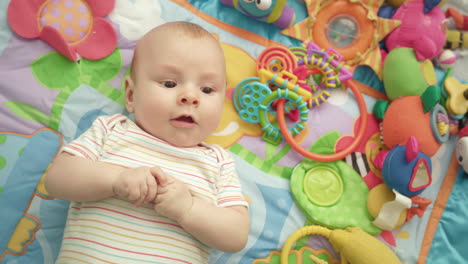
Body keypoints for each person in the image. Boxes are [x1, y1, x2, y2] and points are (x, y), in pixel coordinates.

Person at [45, 21, 250, 264]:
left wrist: (188, 208)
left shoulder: (217, 162)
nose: (191, 97)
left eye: (207, 89)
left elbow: (236, 236)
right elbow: (57, 180)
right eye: (170, 84)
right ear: (131, 95)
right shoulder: (112, 130)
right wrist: (117, 179)